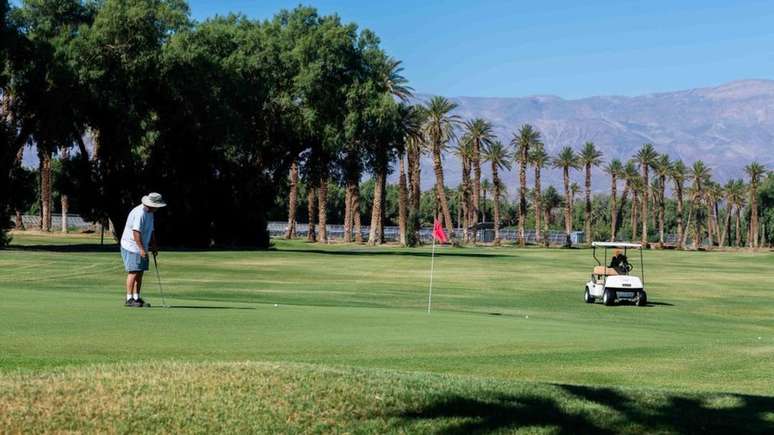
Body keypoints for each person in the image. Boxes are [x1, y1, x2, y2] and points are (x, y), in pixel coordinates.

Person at [120, 192, 166, 307]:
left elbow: (151, 230)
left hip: (142, 246)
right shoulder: (140, 213)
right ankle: (129, 298)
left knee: (140, 272)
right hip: (131, 245)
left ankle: (136, 297)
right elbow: (136, 233)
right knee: (134, 271)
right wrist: (141, 249)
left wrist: (153, 245)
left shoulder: (150, 213)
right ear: (152, 205)